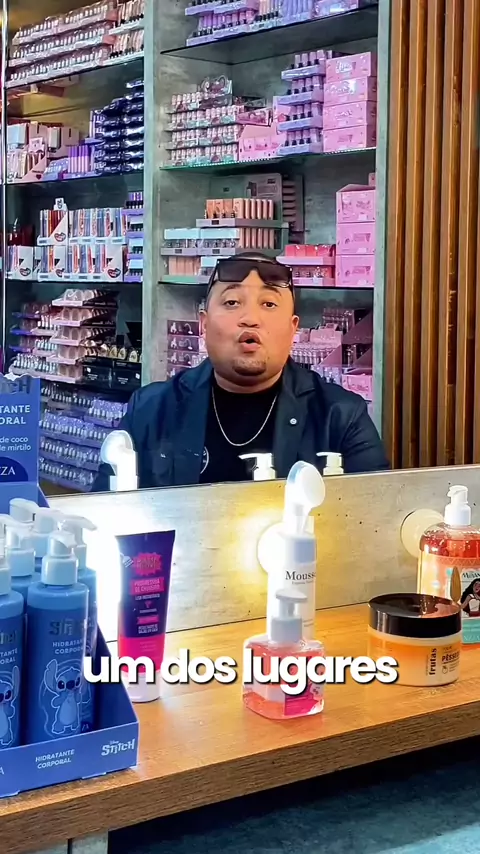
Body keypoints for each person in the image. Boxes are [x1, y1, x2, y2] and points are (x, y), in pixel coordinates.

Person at [92, 252, 389, 491]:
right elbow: (105, 518)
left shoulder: (341, 417)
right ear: (204, 325)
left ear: (293, 329)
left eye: (269, 304)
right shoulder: (150, 410)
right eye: (232, 302)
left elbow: (374, 523)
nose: (250, 318)